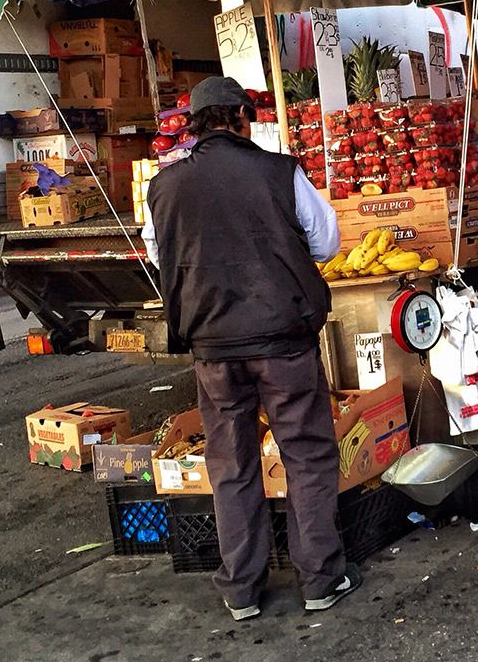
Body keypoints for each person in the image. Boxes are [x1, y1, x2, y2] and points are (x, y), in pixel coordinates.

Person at [143, 76, 358, 621]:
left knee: (231, 463)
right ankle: (320, 579)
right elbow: (326, 242)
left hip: (212, 345)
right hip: (282, 339)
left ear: (193, 124)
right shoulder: (280, 171)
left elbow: (159, 253)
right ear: (243, 116)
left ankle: (241, 589)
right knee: (306, 454)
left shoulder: (164, 185)